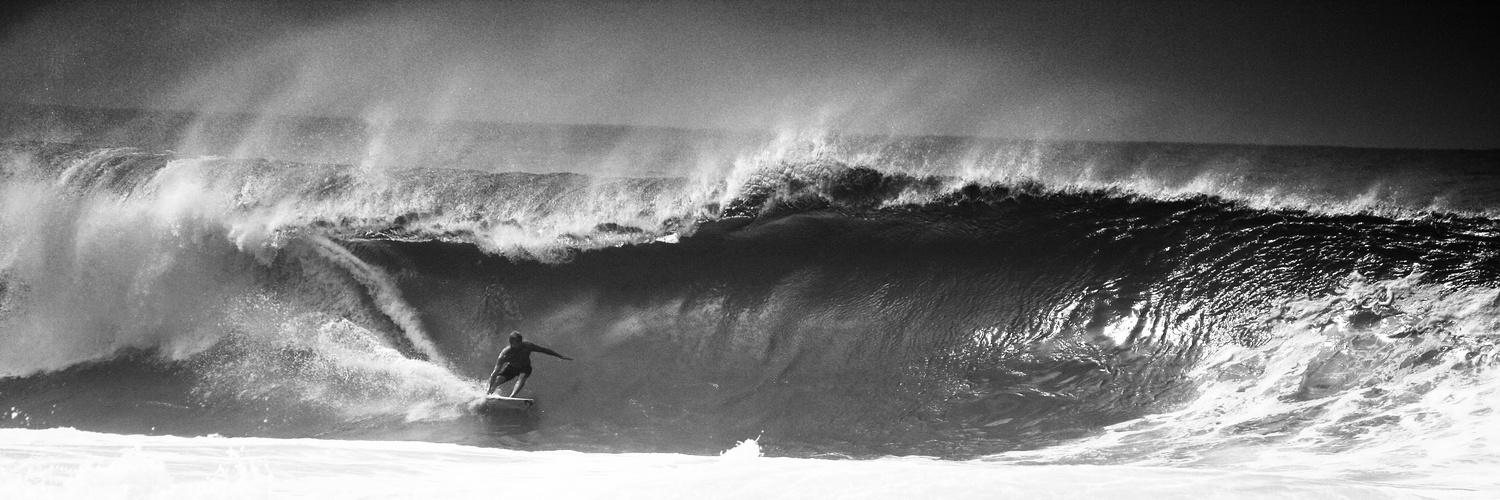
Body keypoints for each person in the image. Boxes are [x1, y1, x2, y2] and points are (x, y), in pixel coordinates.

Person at [486, 331, 573, 397]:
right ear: (511, 342)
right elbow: (495, 372)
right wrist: (489, 388)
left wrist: (560, 356)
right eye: (518, 342)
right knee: (497, 380)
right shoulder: (505, 354)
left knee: (522, 379)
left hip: (525, 367)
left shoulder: (527, 346)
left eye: (520, 341)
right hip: (511, 368)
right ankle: (488, 394)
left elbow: (543, 350)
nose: (520, 343)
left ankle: (512, 396)